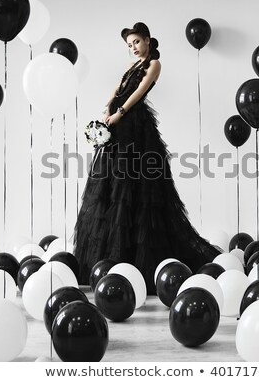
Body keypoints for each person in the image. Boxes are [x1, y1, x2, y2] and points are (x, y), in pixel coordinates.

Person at [73, 22, 221, 294]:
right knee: (113, 184)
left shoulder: (153, 65)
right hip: (117, 126)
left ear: (149, 41)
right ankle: (111, 260)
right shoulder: (131, 67)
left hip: (134, 127)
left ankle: (140, 266)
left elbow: (138, 93)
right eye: (129, 45)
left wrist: (120, 112)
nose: (133, 47)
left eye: (137, 42)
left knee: (137, 185)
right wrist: (108, 107)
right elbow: (118, 90)